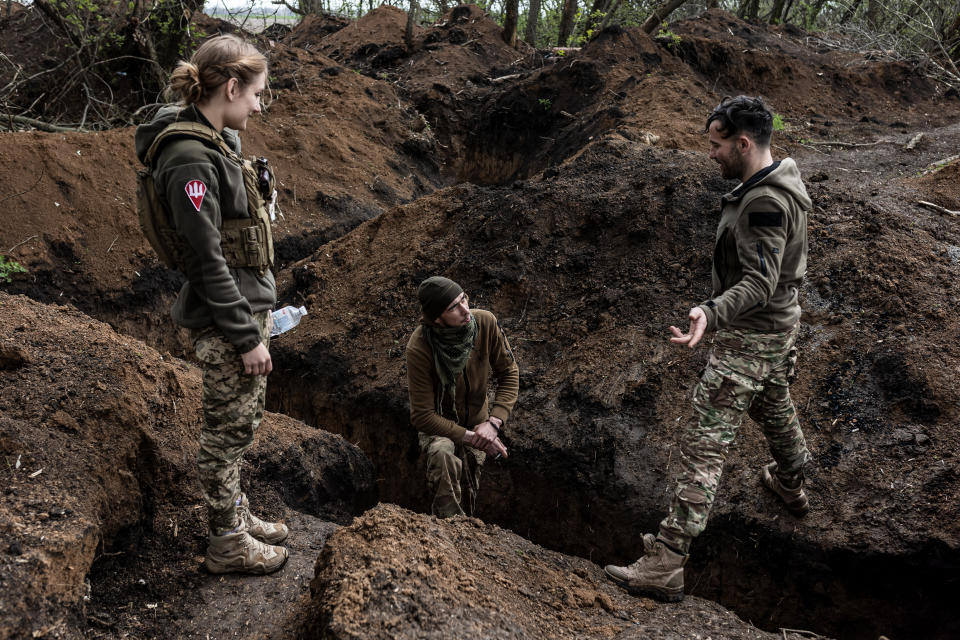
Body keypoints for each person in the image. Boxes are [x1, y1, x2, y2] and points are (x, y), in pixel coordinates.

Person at [605, 95, 813, 602]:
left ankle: (667, 562)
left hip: (751, 333)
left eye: (718, 146)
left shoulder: (764, 203)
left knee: (703, 445)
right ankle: (791, 480)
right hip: (778, 327)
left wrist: (711, 310)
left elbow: (761, 281)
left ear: (744, 143)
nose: (712, 154)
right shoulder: (778, 178)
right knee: (773, 401)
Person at [135, 34, 288, 574]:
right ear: (230, 86)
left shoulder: (216, 140)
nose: (259, 104)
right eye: (256, 94)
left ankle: (237, 516)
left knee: (242, 424)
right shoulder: (189, 159)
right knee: (226, 435)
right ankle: (227, 542)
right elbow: (205, 259)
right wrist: (245, 335)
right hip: (228, 318)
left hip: (244, 307)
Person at [405, 276, 518, 518]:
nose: (465, 310)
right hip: (439, 426)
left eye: (463, 298)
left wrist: (493, 422)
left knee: (469, 487)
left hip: (479, 422)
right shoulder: (420, 347)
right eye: (453, 307)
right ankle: (450, 531)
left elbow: (509, 372)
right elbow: (422, 416)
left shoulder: (485, 323)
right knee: (443, 455)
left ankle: (468, 535)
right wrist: (473, 438)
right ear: (437, 318)